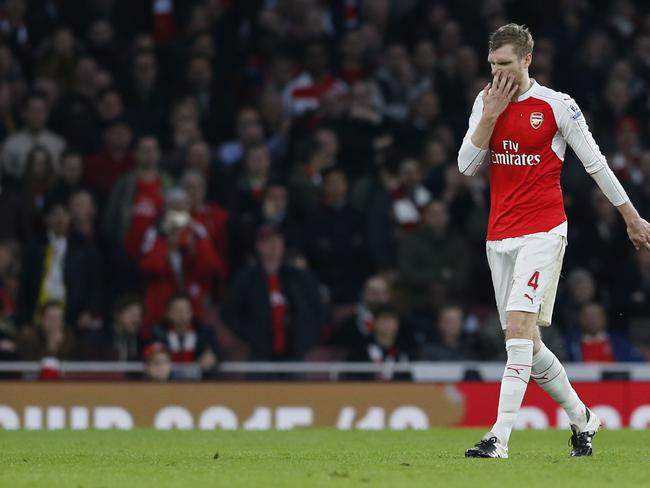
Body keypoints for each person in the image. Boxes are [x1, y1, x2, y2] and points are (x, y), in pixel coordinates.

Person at [458, 24, 650, 459]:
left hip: (543, 231)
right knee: (527, 344)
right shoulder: (485, 101)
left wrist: (631, 217)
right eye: (492, 65)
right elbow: (467, 166)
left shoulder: (557, 106)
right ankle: (584, 418)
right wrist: (488, 115)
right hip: (499, 235)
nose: (498, 73)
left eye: (505, 64)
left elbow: (596, 164)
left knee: (521, 331)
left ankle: (498, 438)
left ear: (528, 59)